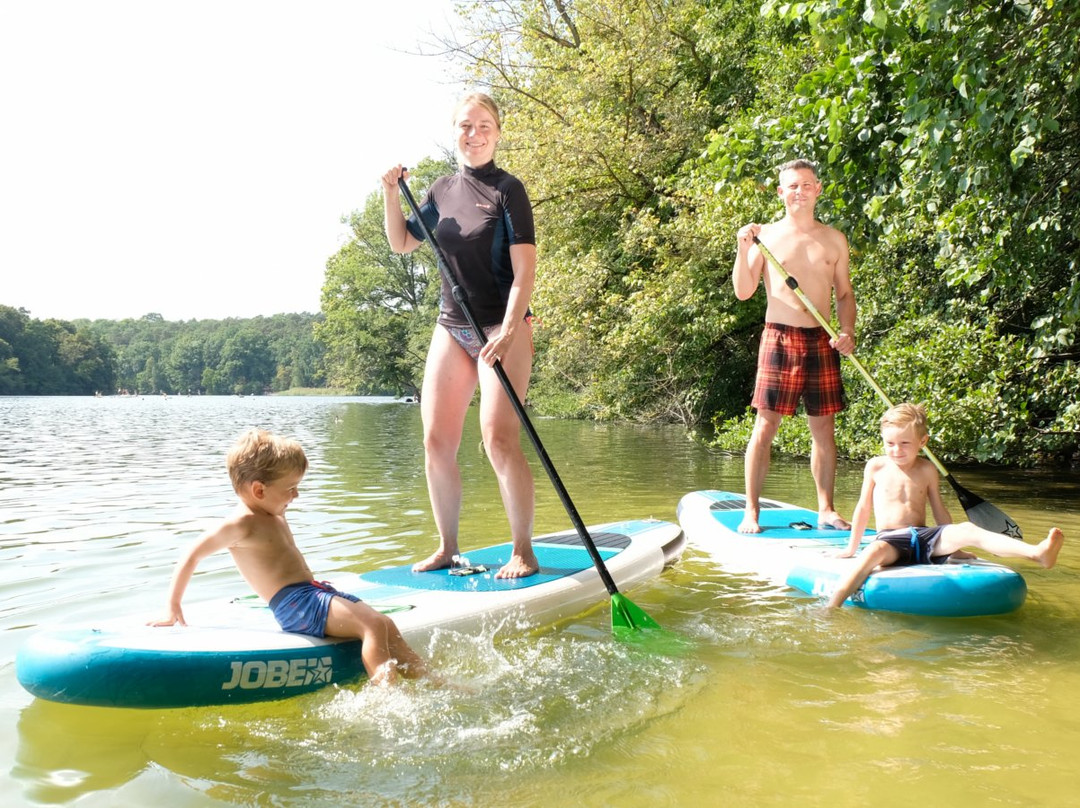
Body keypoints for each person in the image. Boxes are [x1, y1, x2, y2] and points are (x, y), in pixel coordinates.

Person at [380, 92, 539, 579]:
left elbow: (525, 270)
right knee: (436, 440)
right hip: (452, 326)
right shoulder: (441, 189)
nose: (475, 134)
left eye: (484, 125)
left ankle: (523, 550)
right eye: (466, 126)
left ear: (498, 132)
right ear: (455, 132)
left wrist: (509, 330)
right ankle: (447, 546)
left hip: (500, 327)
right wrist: (390, 193)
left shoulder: (508, 190)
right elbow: (403, 242)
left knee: (498, 440)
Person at [149, 429, 428, 686]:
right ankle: (389, 696)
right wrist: (172, 607)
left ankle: (431, 680)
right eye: (290, 487)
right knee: (373, 625)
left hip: (312, 593)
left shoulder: (272, 511)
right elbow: (190, 555)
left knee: (386, 624)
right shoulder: (241, 524)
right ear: (259, 490)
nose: (297, 494)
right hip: (295, 605)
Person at [826, 403, 1065, 608]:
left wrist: (955, 547)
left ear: (923, 441)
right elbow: (863, 509)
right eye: (890, 443)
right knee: (873, 552)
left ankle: (1037, 553)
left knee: (967, 530)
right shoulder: (876, 466)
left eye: (905, 443)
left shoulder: (927, 469)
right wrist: (851, 548)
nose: (896, 450)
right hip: (890, 540)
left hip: (924, 537)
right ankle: (831, 607)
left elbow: (939, 509)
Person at [732, 158, 857, 534]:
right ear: (780, 192)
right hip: (780, 336)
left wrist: (847, 331)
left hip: (821, 339)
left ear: (817, 189)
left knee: (824, 430)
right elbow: (743, 292)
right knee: (765, 427)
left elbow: (845, 294)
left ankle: (827, 510)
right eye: (792, 186)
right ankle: (751, 512)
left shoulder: (834, 238)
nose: (799, 191)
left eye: (806, 185)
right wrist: (743, 247)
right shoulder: (764, 236)